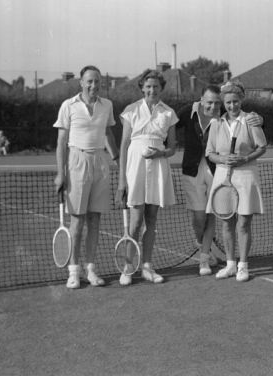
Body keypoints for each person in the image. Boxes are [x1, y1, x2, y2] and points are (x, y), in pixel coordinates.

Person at [175, 85, 264, 276]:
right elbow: (168, 126)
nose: (216, 106)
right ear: (201, 100)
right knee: (208, 219)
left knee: (232, 221)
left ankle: (222, 261)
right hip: (201, 172)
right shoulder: (193, 114)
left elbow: (258, 136)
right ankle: (214, 254)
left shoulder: (236, 115)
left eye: (218, 103)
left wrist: (260, 121)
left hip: (228, 174)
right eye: (210, 102)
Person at [53, 65, 120, 289]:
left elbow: (108, 133)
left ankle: (91, 270)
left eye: (97, 82)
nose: (93, 86)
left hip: (100, 163)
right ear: (81, 83)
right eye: (89, 81)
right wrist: (61, 173)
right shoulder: (68, 105)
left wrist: (118, 159)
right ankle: (73, 272)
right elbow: (61, 142)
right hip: (77, 162)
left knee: (94, 220)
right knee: (78, 221)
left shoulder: (107, 105)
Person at [115, 69, 178, 286]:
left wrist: (160, 153)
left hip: (158, 166)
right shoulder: (131, 110)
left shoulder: (168, 113)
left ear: (161, 88)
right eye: (148, 86)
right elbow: (123, 146)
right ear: (142, 87)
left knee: (151, 220)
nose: (152, 90)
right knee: (134, 222)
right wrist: (122, 180)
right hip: (135, 167)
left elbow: (172, 148)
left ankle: (148, 267)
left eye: (156, 87)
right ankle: (128, 266)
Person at [206, 82, 267, 282]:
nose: (232, 106)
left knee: (243, 224)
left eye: (236, 101)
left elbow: (261, 147)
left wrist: (244, 159)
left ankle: (243, 266)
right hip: (223, 176)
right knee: (227, 223)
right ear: (223, 103)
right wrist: (223, 159)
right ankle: (230, 265)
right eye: (228, 102)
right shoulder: (216, 123)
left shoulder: (251, 120)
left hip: (246, 175)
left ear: (241, 101)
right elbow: (210, 153)